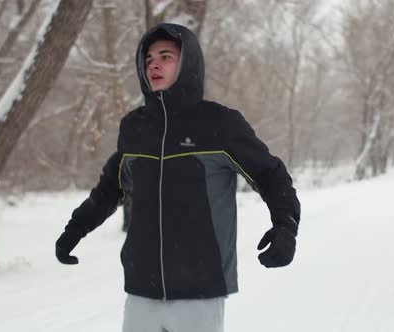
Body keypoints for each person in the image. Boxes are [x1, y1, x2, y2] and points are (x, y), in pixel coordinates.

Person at [55, 23, 301, 332]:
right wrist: (74, 229)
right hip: (141, 290)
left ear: (188, 63)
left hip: (199, 292)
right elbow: (109, 189)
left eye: (166, 56)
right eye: (148, 59)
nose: (154, 64)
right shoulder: (135, 127)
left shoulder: (219, 124)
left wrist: (285, 226)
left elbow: (271, 176)